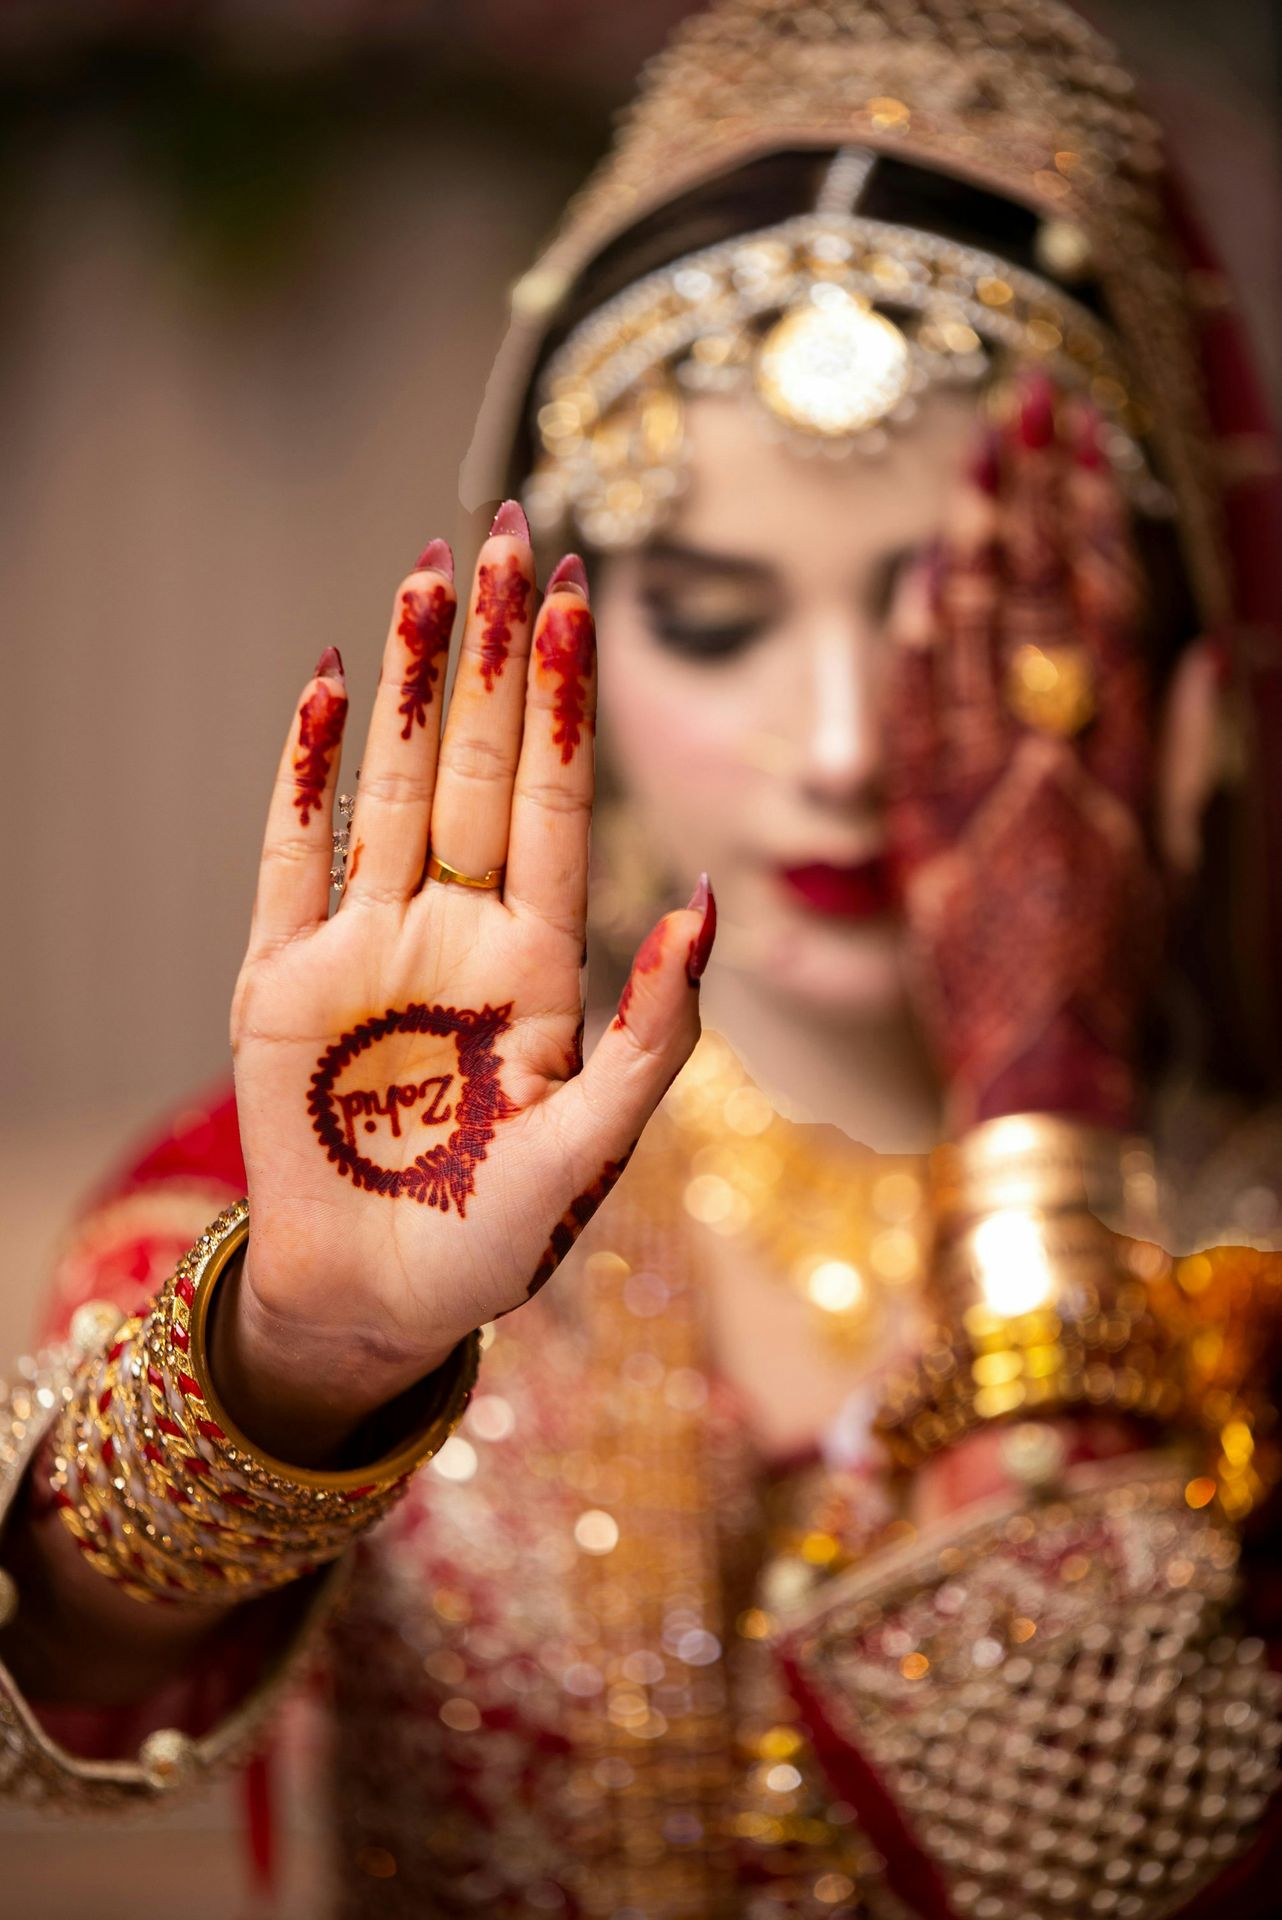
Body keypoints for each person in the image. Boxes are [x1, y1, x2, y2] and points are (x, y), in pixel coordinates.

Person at [2, 1, 1282, 1914]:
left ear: (1184, 686)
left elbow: (1099, 1852)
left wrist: (1042, 1134)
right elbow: (45, 1695)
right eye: (711, 612)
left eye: (969, 622)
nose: (844, 743)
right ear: (567, 655)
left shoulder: (1244, 1236)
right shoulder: (409, 1169)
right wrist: (309, 1357)